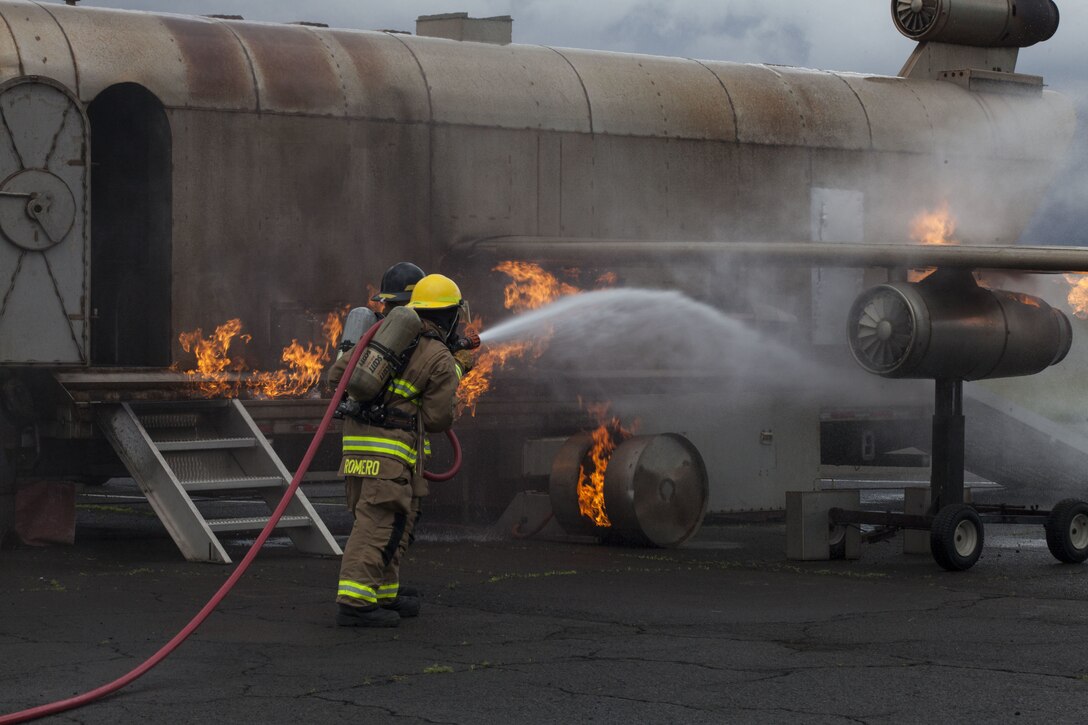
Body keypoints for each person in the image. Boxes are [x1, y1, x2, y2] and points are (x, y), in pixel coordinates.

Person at [330, 274, 466, 628]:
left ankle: (382, 591)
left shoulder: (379, 336)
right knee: (378, 524)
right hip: (389, 453)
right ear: (448, 315)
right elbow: (437, 418)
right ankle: (356, 601)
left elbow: (339, 379)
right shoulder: (437, 355)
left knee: (393, 523)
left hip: (359, 448)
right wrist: (457, 369)